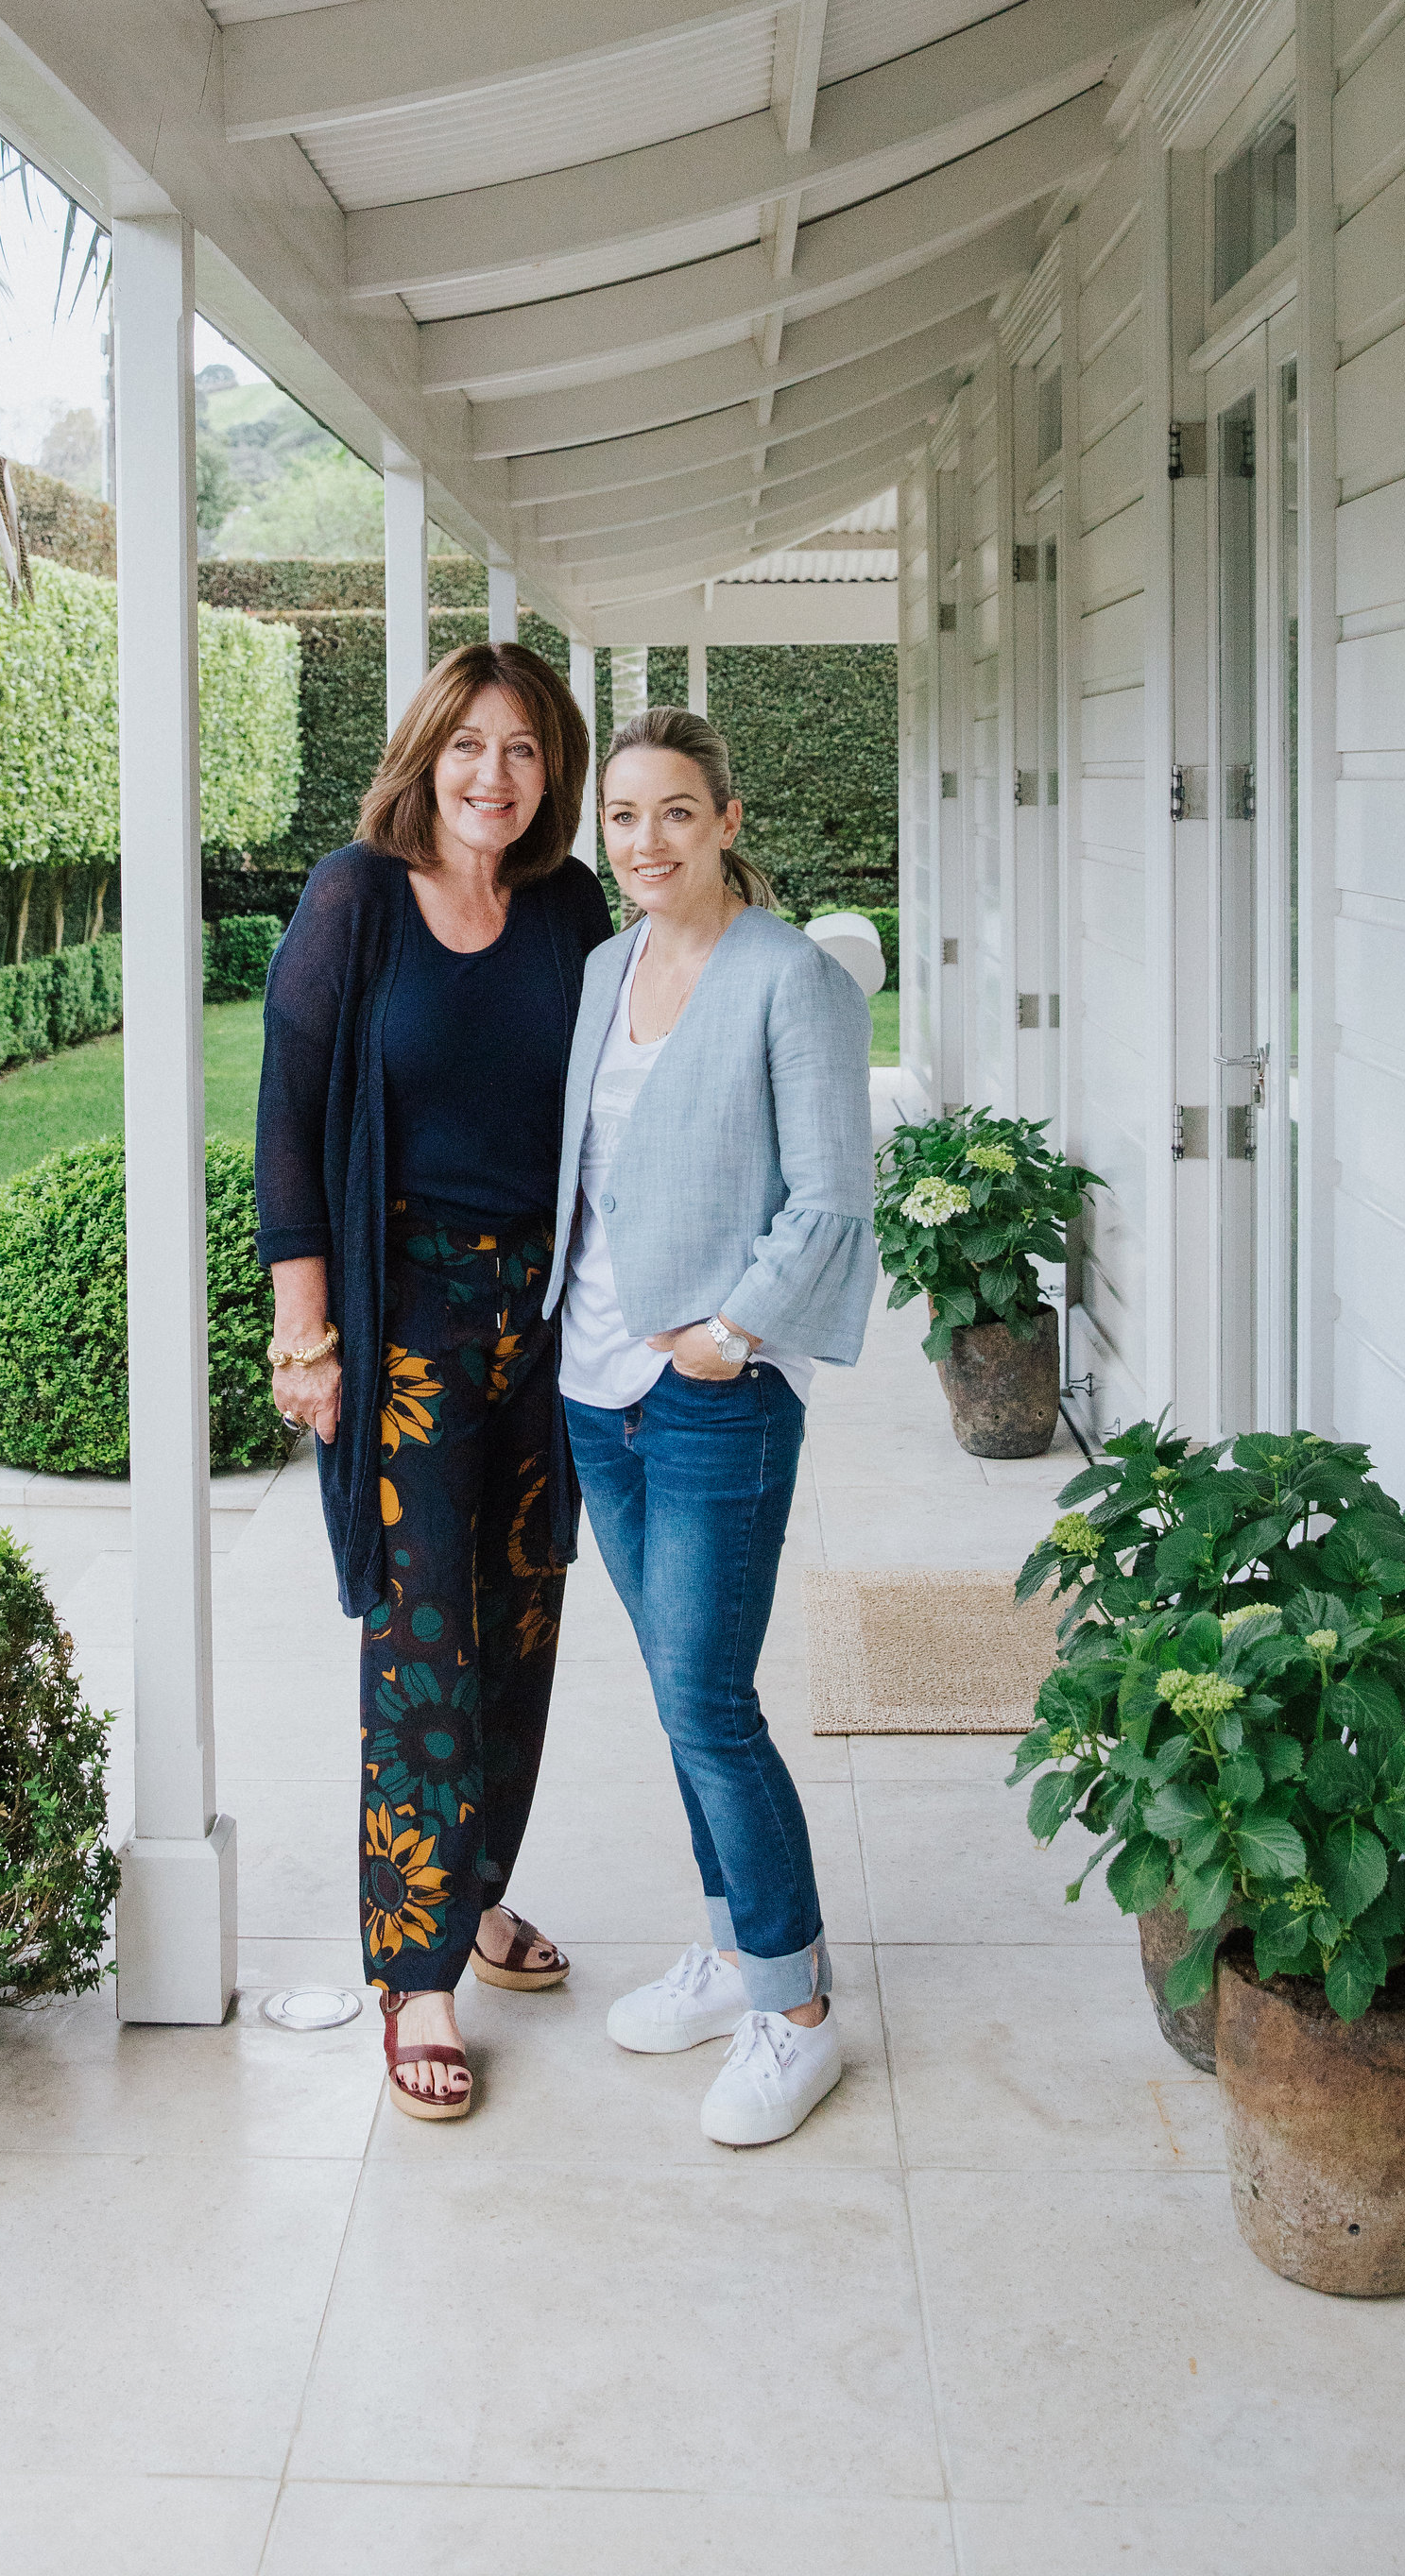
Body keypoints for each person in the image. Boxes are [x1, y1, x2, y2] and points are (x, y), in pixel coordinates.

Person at [255, 641, 610, 2123]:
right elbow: (288, 1119)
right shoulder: (355, 900)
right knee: (422, 1641)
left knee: (522, 1627)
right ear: (426, 752)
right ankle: (416, 1980)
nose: (493, 777)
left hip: (549, 1313)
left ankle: (472, 1897)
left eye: (524, 751)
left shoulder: (572, 908)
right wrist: (306, 1334)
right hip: (405, 1318)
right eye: (469, 745)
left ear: (554, 772)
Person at [549, 708, 875, 2147]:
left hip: (709, 1397)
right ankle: (731, 1945)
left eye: (677, 813)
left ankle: (796, 2010)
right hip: (590, 1387)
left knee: (710, 1704)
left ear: (729, 820)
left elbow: (829, 1198)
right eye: (624, 816)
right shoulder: (606, 968)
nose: (646, 842)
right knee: (680, 1699)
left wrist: (729, 1337)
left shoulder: (788, 979)